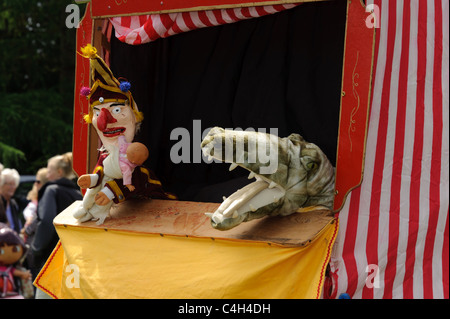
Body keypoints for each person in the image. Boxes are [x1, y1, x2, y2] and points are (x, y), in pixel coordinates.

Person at [31, 153, 82, 299]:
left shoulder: (51, 190)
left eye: (48, 170)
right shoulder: (78, 194)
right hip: (69, 259)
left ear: (59, 172)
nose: (46, 174)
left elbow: (47, 221)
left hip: (49, 259)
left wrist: (36, 249)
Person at [20, 167, 48, 283]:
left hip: (35, 248)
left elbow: (36, 221)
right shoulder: (40, 199)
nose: (35, 184)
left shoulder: (44, 199)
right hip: (33, 248)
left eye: (38, 181)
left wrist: (26, 230)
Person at [0, 168, 23, 234]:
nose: (13, 187)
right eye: (10, 184)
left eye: (14, 184)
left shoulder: (13, 204)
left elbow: (17, 225)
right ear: (1, 184)